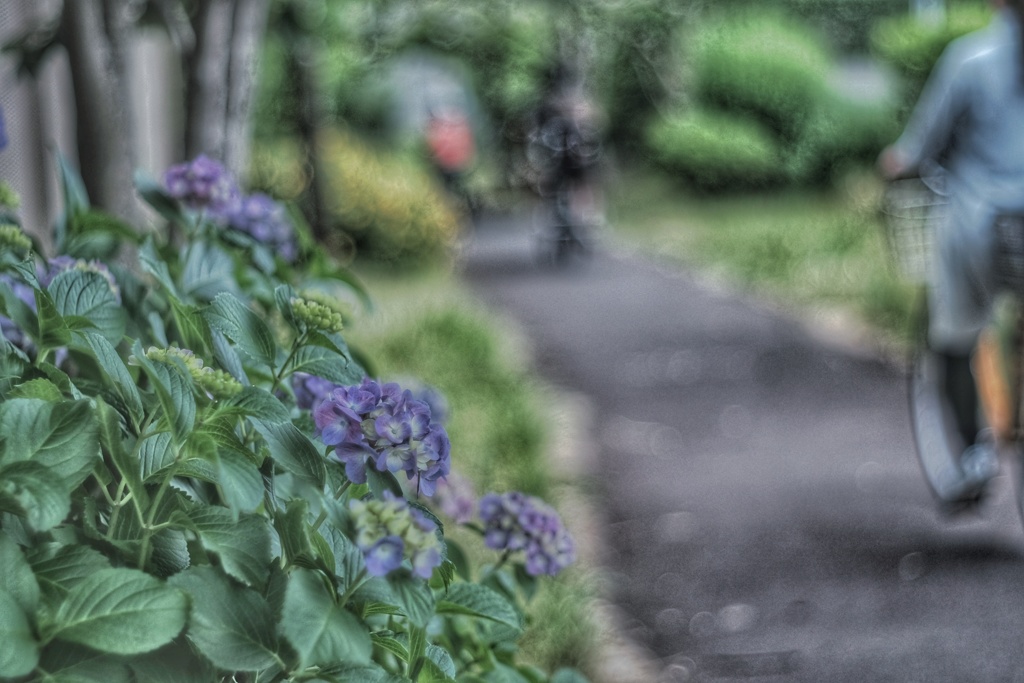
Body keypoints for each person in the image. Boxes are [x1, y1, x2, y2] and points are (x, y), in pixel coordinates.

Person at [879, 0, 1024, 508]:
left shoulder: (970, 60)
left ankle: (974, 453)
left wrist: (897, 164)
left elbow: (917, 150)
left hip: (982, 229)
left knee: (954, 334)